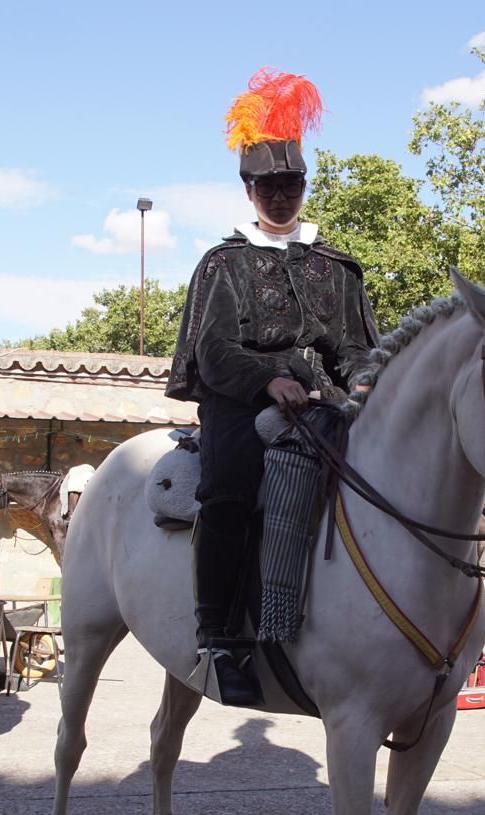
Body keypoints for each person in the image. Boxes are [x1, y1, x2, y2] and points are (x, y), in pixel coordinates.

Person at [165, 68, 377, 706]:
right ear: (248, 189)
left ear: (305, 186)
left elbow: (356, 347)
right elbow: (214, 351)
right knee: (230, 489)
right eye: (267, 187)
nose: (280, 197)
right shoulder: (224, 264)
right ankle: (219, 638)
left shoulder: (337, 266)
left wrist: (363, 383)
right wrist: (270, 378)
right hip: (240, 401)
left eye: (291, 185)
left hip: (325, 401)